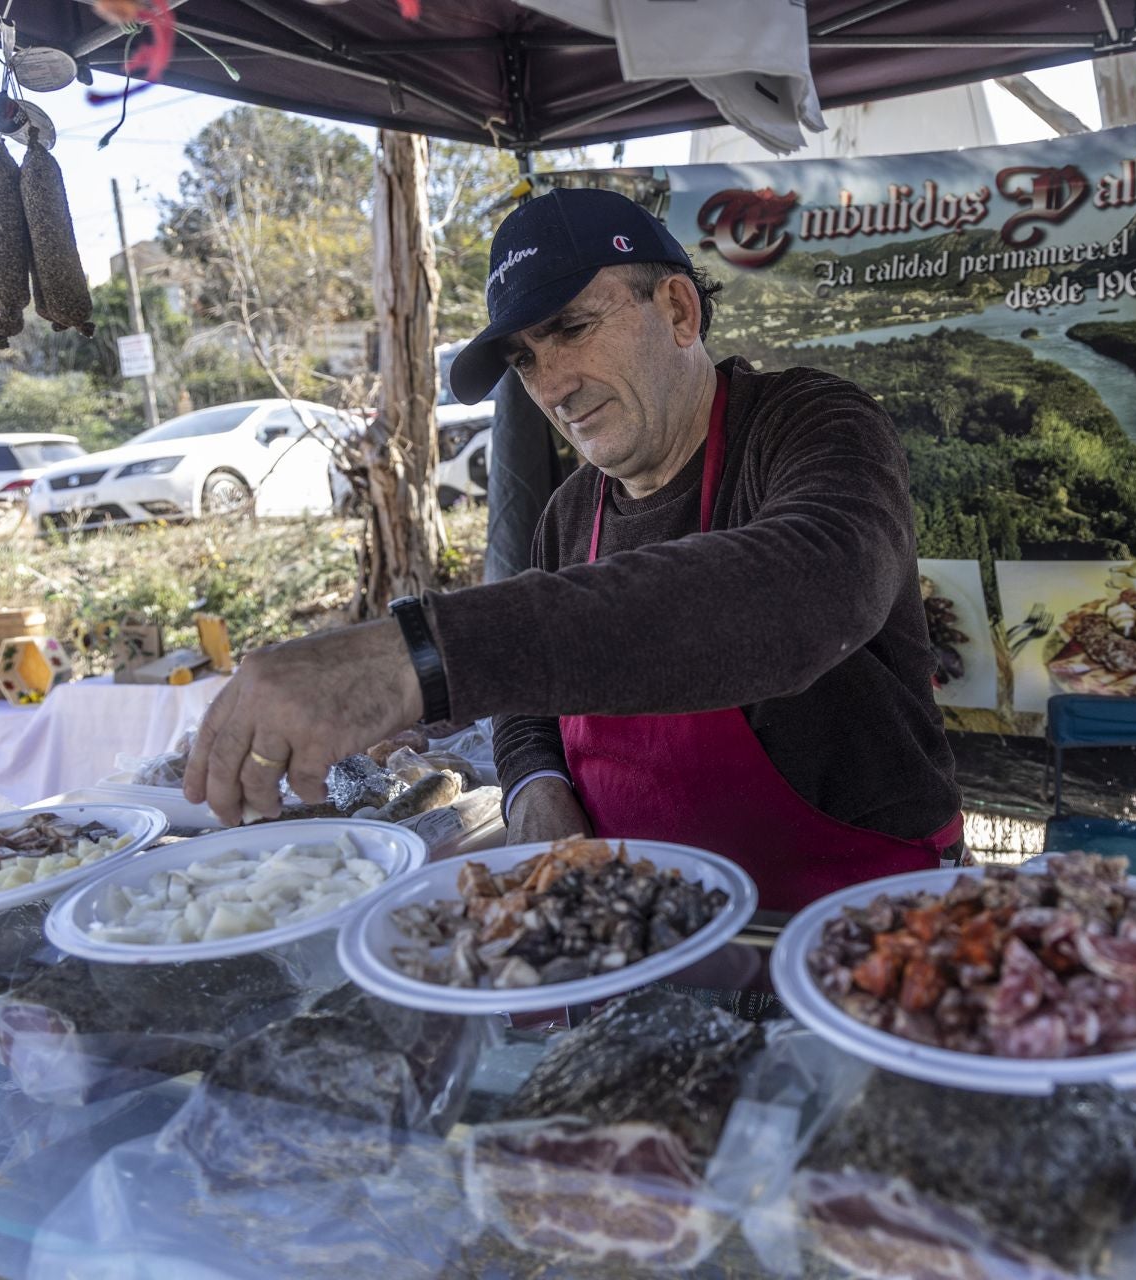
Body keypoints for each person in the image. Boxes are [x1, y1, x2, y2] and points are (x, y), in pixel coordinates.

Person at [185, 187, 962, 911]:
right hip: (644, 926)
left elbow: (813, 591)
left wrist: (418, 657)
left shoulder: (809, 425)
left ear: (680, 310)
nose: (551, 385)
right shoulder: (568, 513)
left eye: (571, 329)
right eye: (525, 358)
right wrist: (534, 786)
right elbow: (531, 701)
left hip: (853, 920)